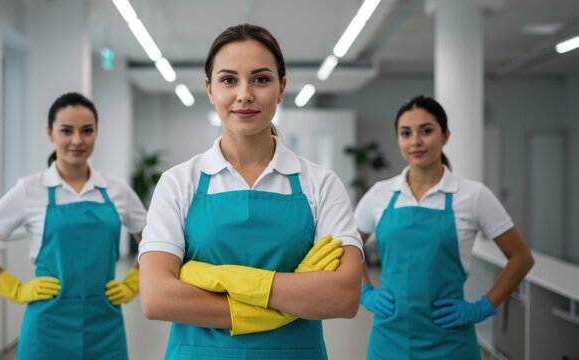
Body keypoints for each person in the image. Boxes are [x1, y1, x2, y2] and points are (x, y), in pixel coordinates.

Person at [138, 23, 363, 359]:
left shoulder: (320, 183)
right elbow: (157, 297)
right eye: (229, 80)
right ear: (210, 89)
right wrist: (281, 300)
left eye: (261, 79)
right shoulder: (178, 183)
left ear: (281, 87)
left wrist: (224, 278)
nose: (244, 94)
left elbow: (343, 296)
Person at [0, 92, 147, 360]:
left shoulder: (116, 190)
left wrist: (134, 280)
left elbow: (155, 242)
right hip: (47, 325)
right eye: (66, 131)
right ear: (50, 133)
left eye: (86, 131)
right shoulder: (30, 189)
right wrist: (13, 288)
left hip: (105, 323)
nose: (77, 140)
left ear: (96, 133)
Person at [354, 95, 535, 359]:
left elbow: (521, 258)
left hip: (451, 341)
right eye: (406, 133)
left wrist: (483, 307)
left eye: (426, 131)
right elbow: (348, 246)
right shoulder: (380, 194)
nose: (415, 141)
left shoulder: (473, 195)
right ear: (398, 140)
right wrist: (365, 292)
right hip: (388, 340)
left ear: (445, 135)